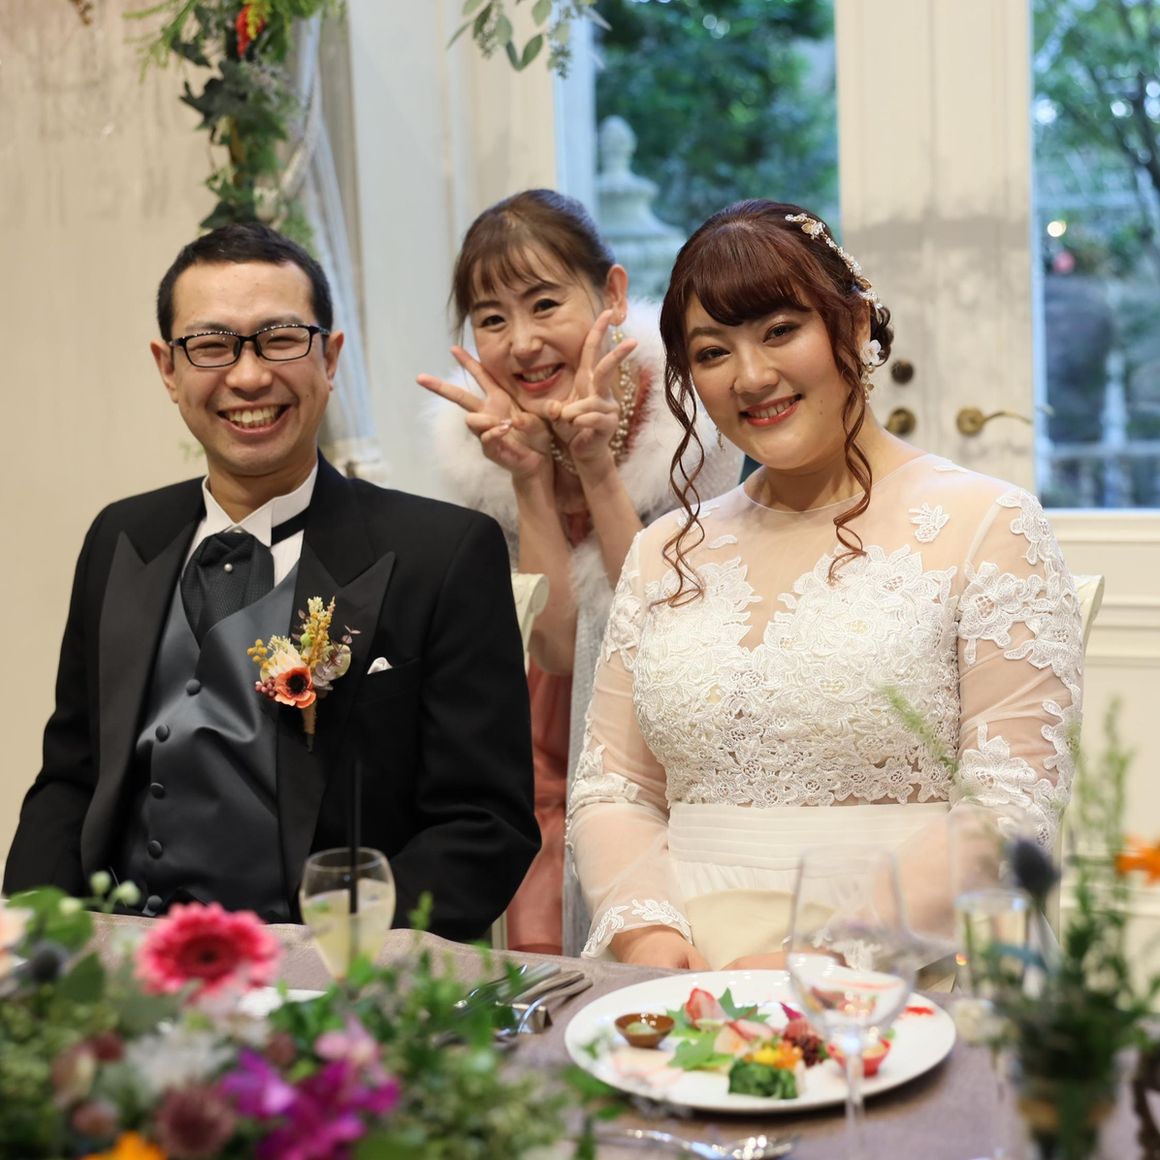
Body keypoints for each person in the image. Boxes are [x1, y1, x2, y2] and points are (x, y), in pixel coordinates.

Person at [567, 200, 1082, 970]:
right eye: (713, 352)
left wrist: (823, 961)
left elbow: (1008, 804)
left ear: (854, 322)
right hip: (686, 974)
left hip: (908, 971)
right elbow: (615, 790)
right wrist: (650, 934)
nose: (751, 377)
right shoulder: (661, 553)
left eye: (780, 331)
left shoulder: (989, 525)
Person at [4, 222, 539, 941]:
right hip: (120, 964)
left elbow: (483, 825)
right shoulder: (120, 537)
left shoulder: (442, 554)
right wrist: (34, 941)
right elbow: (70, 779)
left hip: (324, 971)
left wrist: (336, 957)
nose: (250, 376)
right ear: (168, 369)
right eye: (211, 345)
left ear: (330, 358)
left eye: (281, 339)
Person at [419, 190, 741, 954]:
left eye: (544, 304)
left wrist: (596, 469)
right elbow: (559, 650)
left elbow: (658, 632)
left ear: (612, 295)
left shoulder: (690, 420)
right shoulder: (476, 451)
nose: (522, 343)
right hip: (543, 727)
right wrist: (528, 477)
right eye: (492, 319)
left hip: (678, 715)